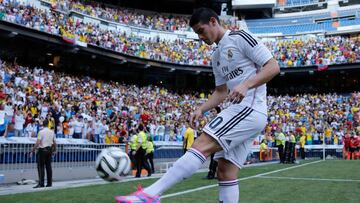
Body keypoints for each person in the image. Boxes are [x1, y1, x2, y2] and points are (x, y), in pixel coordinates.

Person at [115, 7, 279, 203]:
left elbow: (273, 66)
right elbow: (221, 92)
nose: (200, 37)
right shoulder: (217, 56)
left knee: (201, 144)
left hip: (249, 109)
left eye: (201, 30)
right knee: (225, 171)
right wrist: (201, 109)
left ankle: (150, 194)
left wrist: (246, 84)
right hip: (243, 113)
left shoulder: (240, 37)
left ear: (213, 21)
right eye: (197, 34)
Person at [31, 119, 56, 188]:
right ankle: (49, 183)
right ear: (48, 124)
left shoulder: (41, 132)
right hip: (49, 149)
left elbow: (38, 142)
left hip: (42, 150)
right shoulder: (52, 132)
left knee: (41, 167)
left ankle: (41, 183)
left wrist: (33, 149)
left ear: (42, 124)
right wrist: (54, 150)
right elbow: (54, 142)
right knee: (48, 167)